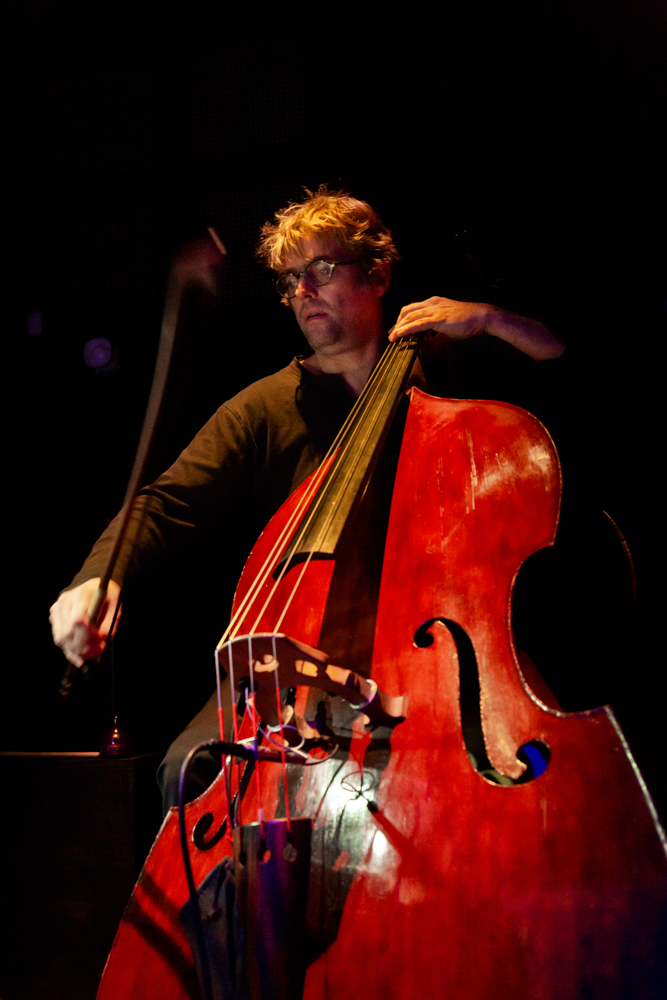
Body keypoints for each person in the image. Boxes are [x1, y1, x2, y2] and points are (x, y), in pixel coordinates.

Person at [49, 187, 565, 809]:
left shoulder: (449, 365)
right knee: (191, 772)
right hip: (305, 657)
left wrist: (489, 318)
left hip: (444, 645)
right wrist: (97, 578)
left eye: (322, 269)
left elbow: (570, 366)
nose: (304, 291)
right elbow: (163, 503)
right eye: (292, 279)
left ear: (378, 275)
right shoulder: (264, 407)